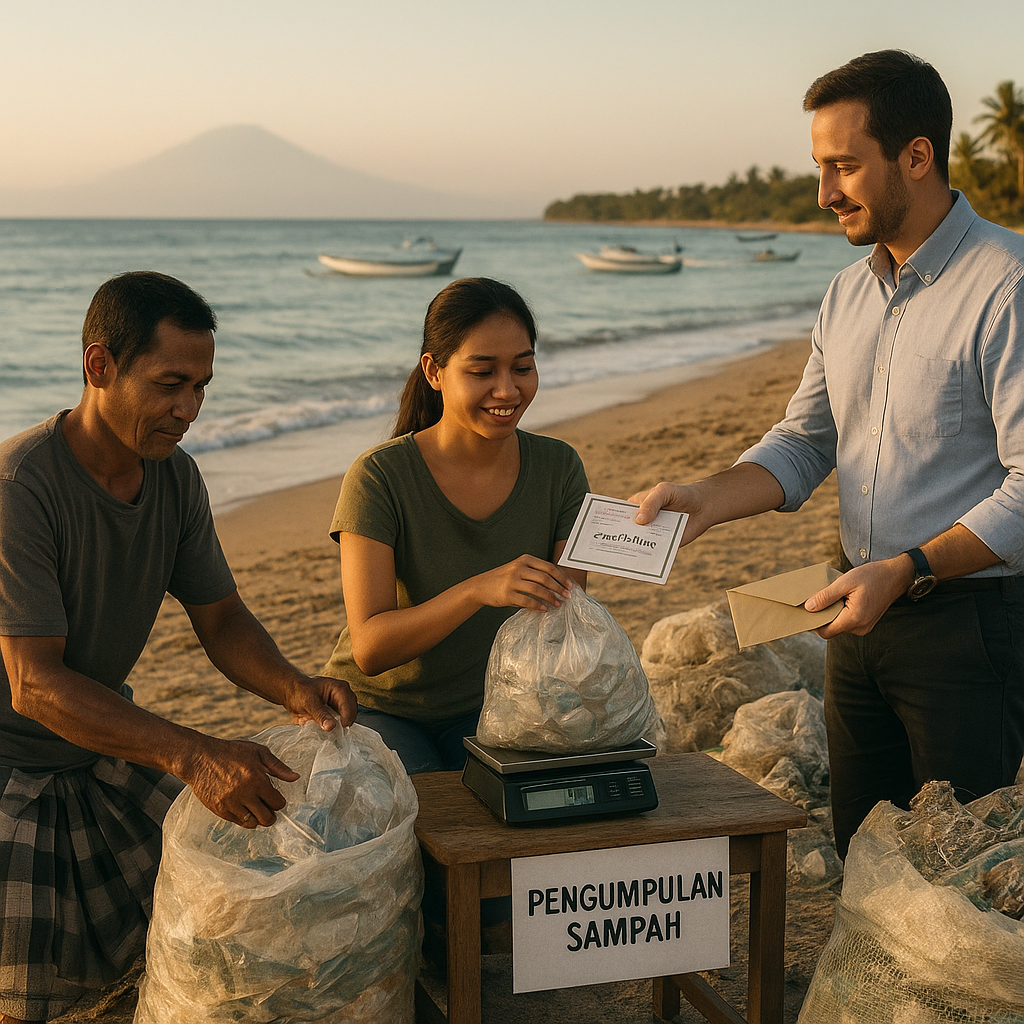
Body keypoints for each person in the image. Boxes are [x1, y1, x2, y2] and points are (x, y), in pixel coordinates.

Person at [631, 50, 1024, 859]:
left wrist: (910, 567)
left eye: (844, 166)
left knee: (965, 873)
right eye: (819, 167)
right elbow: (807, 440)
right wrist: (705, 498)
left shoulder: (1007, 282)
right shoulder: (846, 293)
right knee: (865, 849)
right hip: (853, 612)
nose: (823, 193)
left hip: (971, 628)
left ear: (917, 156)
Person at [0, 271, 357, 1024]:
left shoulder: (175, 479)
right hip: (12, 766)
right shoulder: (18, 486)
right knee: (26, 992)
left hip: (103, 747)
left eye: (201, 387)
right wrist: (194, 754)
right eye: (170, 385)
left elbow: (222, 620)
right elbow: (33, 684)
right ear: (100, 367)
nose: (188, 409)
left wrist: (295, 688)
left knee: (214, 911)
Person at [320, 277, 589, 775]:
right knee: (431, 817)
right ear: (434, 371)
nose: (507, 389)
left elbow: (565, 609)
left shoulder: (559, 467)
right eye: (482, 371)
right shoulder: (378, 476)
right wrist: (480, 589)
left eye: (523, 367)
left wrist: (625, 540)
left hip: (501, 705)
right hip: (383, 709)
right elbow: (371, 647)